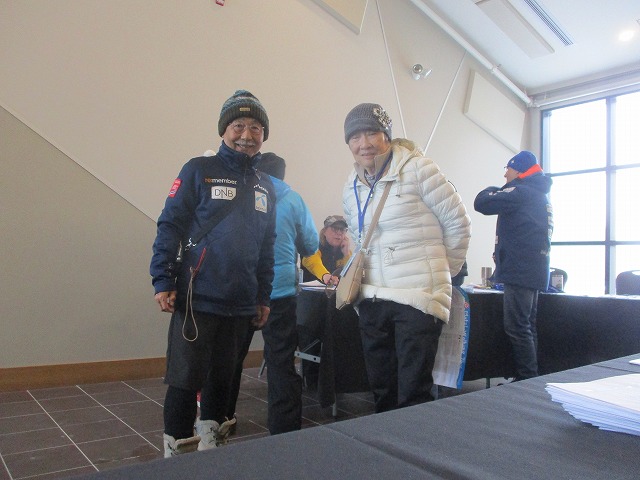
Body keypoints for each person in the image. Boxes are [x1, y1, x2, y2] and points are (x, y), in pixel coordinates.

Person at [150, 90, 277, 457]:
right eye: (238, 126)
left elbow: (266, 246)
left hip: (241, 304)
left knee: (223, 380)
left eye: (256, 128)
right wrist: (163, 279)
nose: (247, 135)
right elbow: (170, 225)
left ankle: (213, 450)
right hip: (197, 298)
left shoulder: (265, 185)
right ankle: (177, 454)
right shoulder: (198, 170)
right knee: (185, 380)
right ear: (224, 130)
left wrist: (263, 296)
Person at [341, 103, 471, 413]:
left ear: (386, 136)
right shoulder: (352, 185)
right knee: (382, 389)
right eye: (355, 137)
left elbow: (458, 224)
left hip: (417, 297)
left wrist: (442, 273)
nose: (364, 144)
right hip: (372, 298)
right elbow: (357, 237)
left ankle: (416, 442)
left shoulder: (419, 169)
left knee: (414, 392)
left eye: (372, 133)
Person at [227, 152, 319, 435]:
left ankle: (221, 420)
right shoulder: (293, 200)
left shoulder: (239, 193)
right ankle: (284, 429)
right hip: (279, 293)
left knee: (229, 359)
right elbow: (311, 244)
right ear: (282, 174)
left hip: (240, 290)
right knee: (281, 362)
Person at [474, 150, 553, 381]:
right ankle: (530, 379)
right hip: (533, 269)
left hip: (520, 270)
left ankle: (527, 379)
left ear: (518, 170)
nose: (505, 175)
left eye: (507, 169)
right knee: (526, 326)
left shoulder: (522, 192)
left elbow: (482, 202)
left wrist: (496, 189)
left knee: (517, 327)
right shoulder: (539, 194)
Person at [301, 215, 351, 286]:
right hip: (311, 291)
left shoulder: (346, 251)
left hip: (335, 292)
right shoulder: (313, 246)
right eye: (335, 228)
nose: (339, 233)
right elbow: (313, 262)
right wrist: (325, 275)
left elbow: (352, 276)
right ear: (324, 231)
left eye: (342, 229)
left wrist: (346, 254)